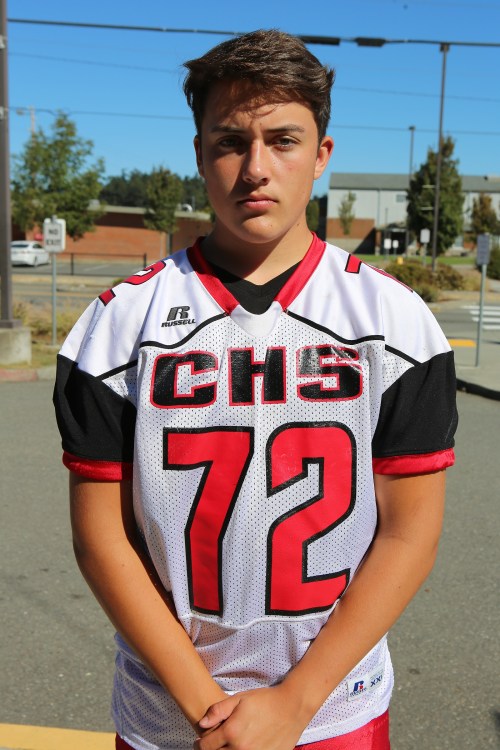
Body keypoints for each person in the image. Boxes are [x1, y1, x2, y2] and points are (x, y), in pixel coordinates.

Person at [53, 29, 458, 750]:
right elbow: (101, 537)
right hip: (169, 715)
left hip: (334, 707)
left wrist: (295, 703)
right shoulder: (118, 325)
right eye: (230, 142)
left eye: (283, 140)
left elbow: (409, 533)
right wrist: (207, 707)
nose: (256, 169)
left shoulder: (395, 322)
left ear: (322, 155)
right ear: (199, 152)